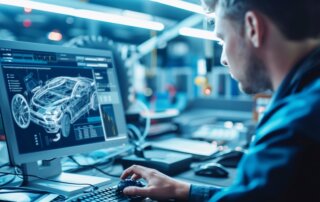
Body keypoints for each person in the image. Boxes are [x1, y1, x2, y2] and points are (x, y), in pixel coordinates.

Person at [121, 0, 320, 201]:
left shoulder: (293, 130)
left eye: (222, 40)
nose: (223, 59)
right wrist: (181, 189)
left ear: (253, 28)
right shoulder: (308, 99)